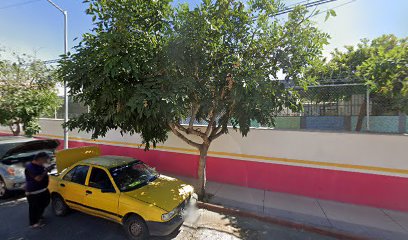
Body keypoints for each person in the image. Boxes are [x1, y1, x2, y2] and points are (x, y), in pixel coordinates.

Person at [25, 152, 53, 229]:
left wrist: (49, 169)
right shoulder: (30, 167)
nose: (46, 162)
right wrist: (46, 170)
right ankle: (33, 224)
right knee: (33, 208)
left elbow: (44, 173)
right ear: (40, 159)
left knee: (46, 202)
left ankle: (39, 215)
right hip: (33, 192)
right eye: (45, 160)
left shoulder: (40, 165)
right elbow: (38, 178)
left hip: (43, 190)